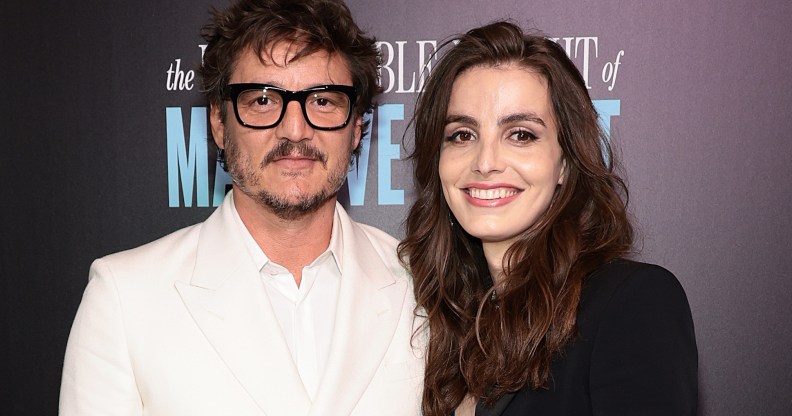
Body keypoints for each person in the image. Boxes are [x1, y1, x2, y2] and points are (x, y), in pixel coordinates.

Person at [60, 1, 424, 415]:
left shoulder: (422, 287)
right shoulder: (125, 298)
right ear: (218, 122)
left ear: (356, 125)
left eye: (323, 101)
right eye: (264, 101)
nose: (295, 130)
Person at [399, 21, 698, 416]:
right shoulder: (451, 332)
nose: (485, 163)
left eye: (521, 134)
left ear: (566, 164)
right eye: (462, 135)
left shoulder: (631, 305)